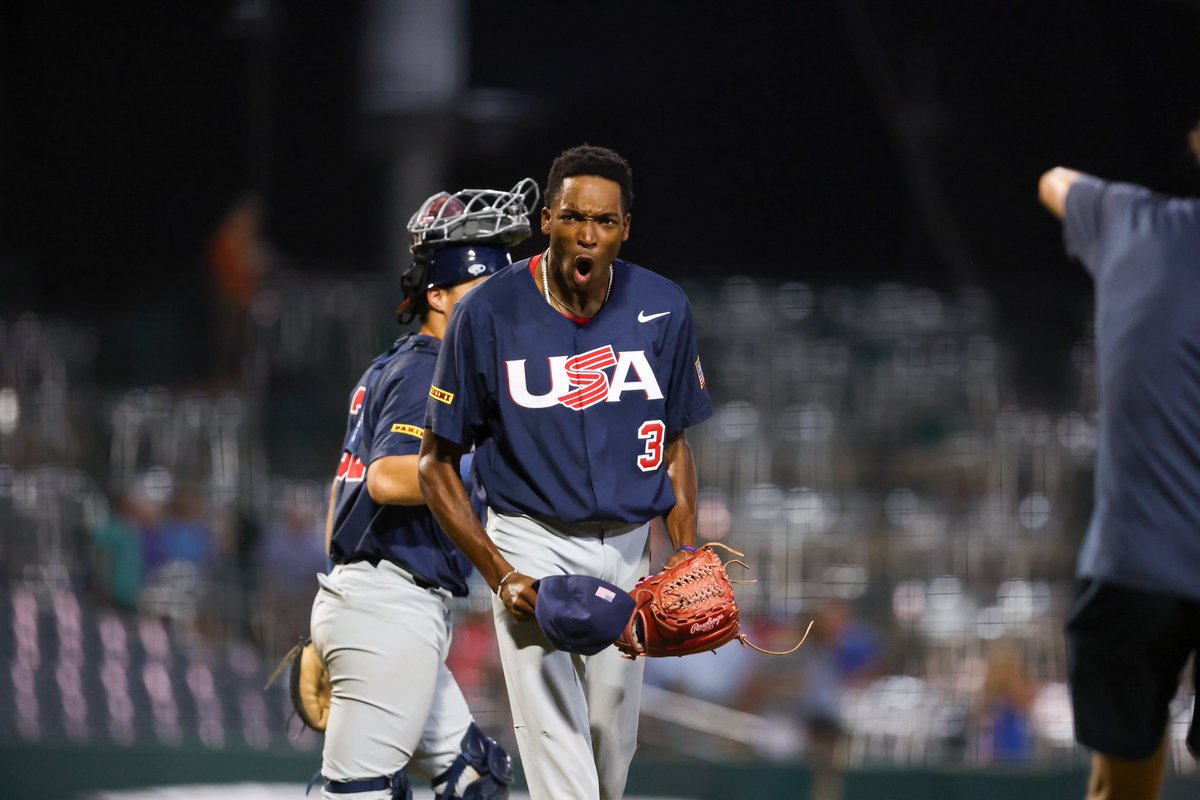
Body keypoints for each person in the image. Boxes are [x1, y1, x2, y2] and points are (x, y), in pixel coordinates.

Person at [419, 145, 713, 800]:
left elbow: (674, 441)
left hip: (630, 546)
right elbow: (435, 466)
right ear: (547, 218)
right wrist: (501, 574)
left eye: (604, 222)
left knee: (610, 753)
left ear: (626, 228)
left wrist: (686, 548)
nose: (588, 234)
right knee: (559, 757)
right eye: (574, 217)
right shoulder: (486, 313)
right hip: (532, 538)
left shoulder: (664, 307)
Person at [308, 178, 538, 800]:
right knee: (358, 794)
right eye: (481, 290)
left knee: (474, 781)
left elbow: (342, 498)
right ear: (437, 295)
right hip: (389, 607)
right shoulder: (428, 369)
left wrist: (331, 605)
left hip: (376, 601)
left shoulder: (400, 362)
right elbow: (385, 478)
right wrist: (489, 466)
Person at [1039, 119, 1200, 800]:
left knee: (1121, 787)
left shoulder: (1130, 221)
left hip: (1134, 570)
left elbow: (1055, 181)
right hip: (1135, 567)